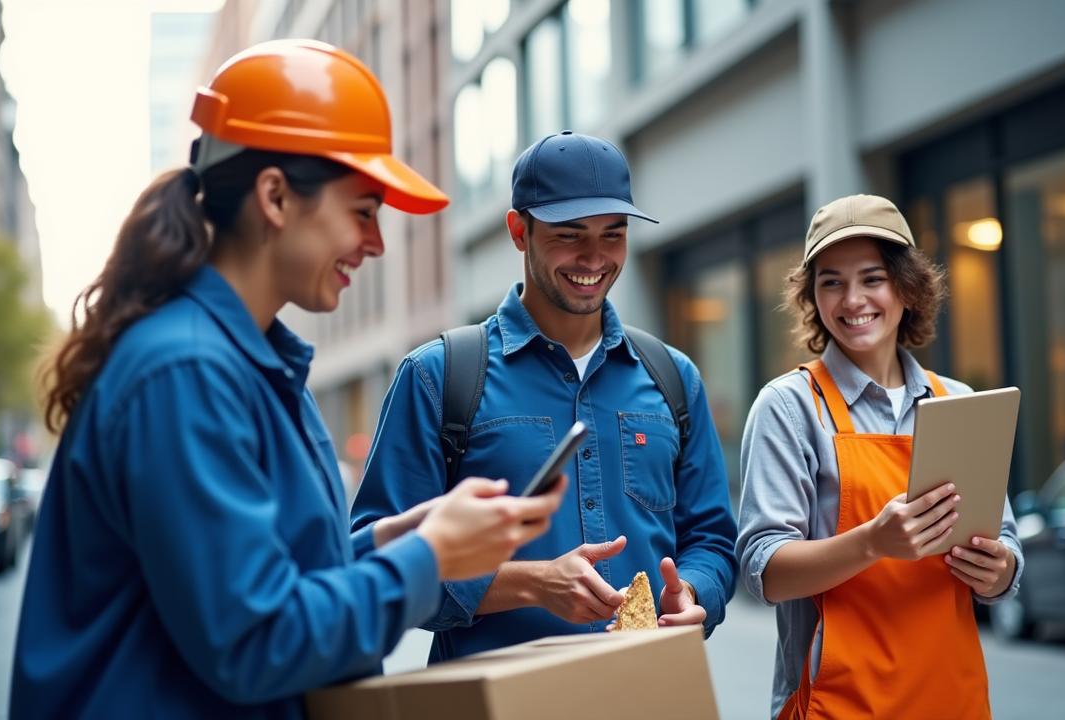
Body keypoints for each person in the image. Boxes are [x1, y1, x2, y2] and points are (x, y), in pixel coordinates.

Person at [10, 40, 565, 718]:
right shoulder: (186, 373)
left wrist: (403, 537)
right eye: (363, 211)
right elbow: (256, 638)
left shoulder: (247, 365)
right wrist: (430, 556)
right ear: (274, 196)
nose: (377, 243)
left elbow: (267, 576)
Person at [351, 131, 738, 663]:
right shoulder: (438, 377)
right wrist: (532, 583)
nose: (594, 257)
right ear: (519, 231)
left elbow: (713, 539)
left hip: (648, 692)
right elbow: (380, 564)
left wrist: (693, 593)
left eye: (613, 234)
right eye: (569, 234)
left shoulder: (674, 377)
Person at [735, 195, 1024, 720]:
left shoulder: (957, 402)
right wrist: (873, 541)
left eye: (872, 278)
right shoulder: (790, 408)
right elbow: (764, 571)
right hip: (836, 705)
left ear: (906, 287)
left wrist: (998, 569)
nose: (852, 300)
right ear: (812, 296)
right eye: (831, 282)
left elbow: (1004, 549)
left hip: (951, 701)